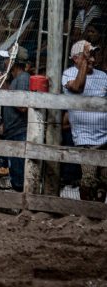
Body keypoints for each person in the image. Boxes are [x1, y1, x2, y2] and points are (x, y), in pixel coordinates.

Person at [62, 40, 107, 202]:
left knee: (104, 181)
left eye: (93, 55)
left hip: (105, 138)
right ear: (76, 58)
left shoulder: (103, 76)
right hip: (85, 138)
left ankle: (98, 218)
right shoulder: (68, 74)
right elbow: (77, 87)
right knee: (89, 180)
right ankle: (85, 215)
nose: (93, 59)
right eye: (88, 55)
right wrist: (84, 65)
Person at [0, 47, 30, 192]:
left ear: (15, 62)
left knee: (19, 174)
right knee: (15, 172)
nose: (5, 62)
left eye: (8, 59)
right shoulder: (15, 80)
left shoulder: (23, 78)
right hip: (13, 132)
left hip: (19, 132)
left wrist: (7, 93)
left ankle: (24, 207)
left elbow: (23, 106)